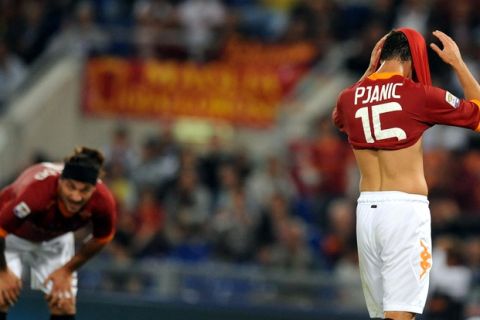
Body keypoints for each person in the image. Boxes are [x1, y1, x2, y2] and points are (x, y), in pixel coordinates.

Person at [333, 28, 480, 320]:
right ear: (413, 58)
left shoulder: (348, 97)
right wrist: (458, 64)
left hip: (366, 214)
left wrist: (368, 72)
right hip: (403, 213)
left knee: (380, 316)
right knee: (401, 315)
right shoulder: (418, 95)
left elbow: (338, 119)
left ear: (380, 57)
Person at [0, 147, 117, 320]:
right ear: (60, 181)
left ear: (94, 189)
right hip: (11, 236)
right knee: (1, 295)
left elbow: (102, 238)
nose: (76, 197)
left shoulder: (103, 201)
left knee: (63, 303)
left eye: (84, 190)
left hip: (55, 239)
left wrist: (66, 271)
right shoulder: (36, 192)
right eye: (71, 187)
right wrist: (3, 272)